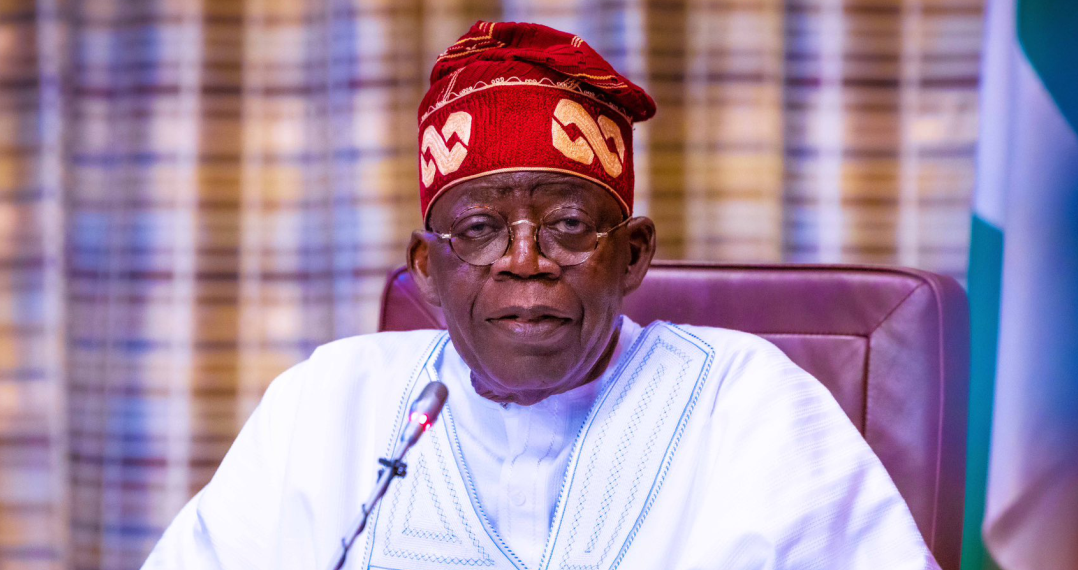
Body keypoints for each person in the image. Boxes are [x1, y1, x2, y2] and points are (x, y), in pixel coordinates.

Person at [142, 21, 940, 570]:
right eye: (481, 229)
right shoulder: (328, 403)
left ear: (632, 255)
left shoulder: (748, 402)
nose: (526, 261)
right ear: (426, 270)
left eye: (566, 223)